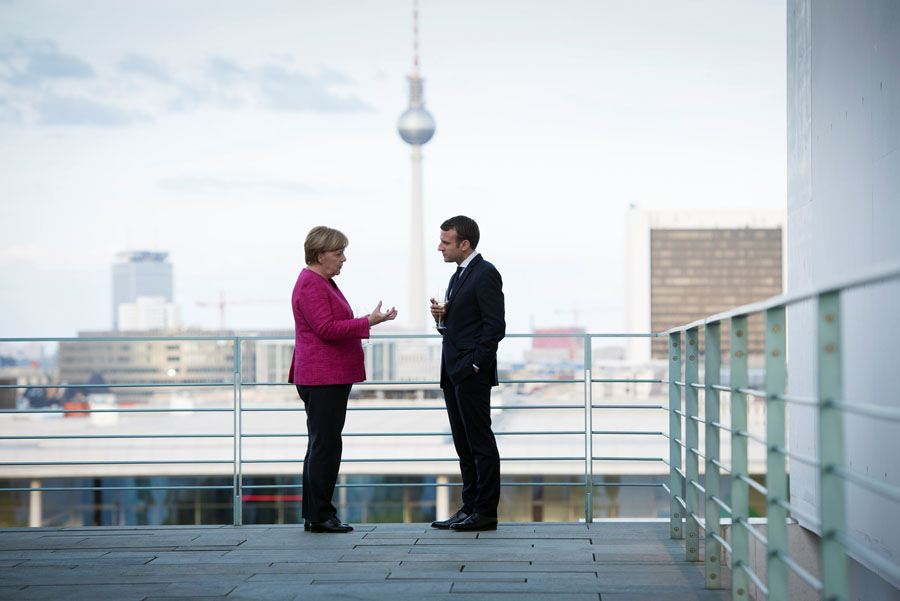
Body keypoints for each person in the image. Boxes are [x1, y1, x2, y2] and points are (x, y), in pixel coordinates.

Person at [289, 225, 397, 533]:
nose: (344, 259)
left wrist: (366, 321)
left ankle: (316, 514)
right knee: (325, 445)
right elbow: (327, 329)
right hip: (323, 377)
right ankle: (321, 515)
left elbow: (329, 325)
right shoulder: (312, 284)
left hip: (326, 376)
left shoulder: (321, 281)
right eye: (338, 254)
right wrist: (368, 322)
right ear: (321, 255)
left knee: (322, 444)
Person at [429, 215, 506, 531]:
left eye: (445, 242)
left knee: (479, 442)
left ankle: (485, 511)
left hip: (470, 373)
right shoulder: (458, 275)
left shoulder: (485, 273)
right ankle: (470, 507)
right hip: (454, 373)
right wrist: (442, 319)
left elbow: (495, 327)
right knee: (463, 443)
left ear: (465, 244)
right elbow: (462, 327)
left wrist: (475, 365)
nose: (439, 248)